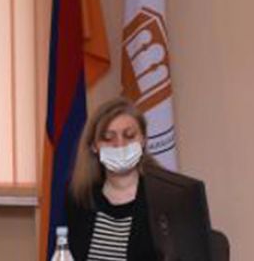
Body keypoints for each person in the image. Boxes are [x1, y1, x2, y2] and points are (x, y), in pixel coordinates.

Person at [66, 97, 212, 261]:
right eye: (108, 138)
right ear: (94, 146)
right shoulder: (80, 197)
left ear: (143, 141)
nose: (120, 145)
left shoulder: (170, 198)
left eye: (129, 136)